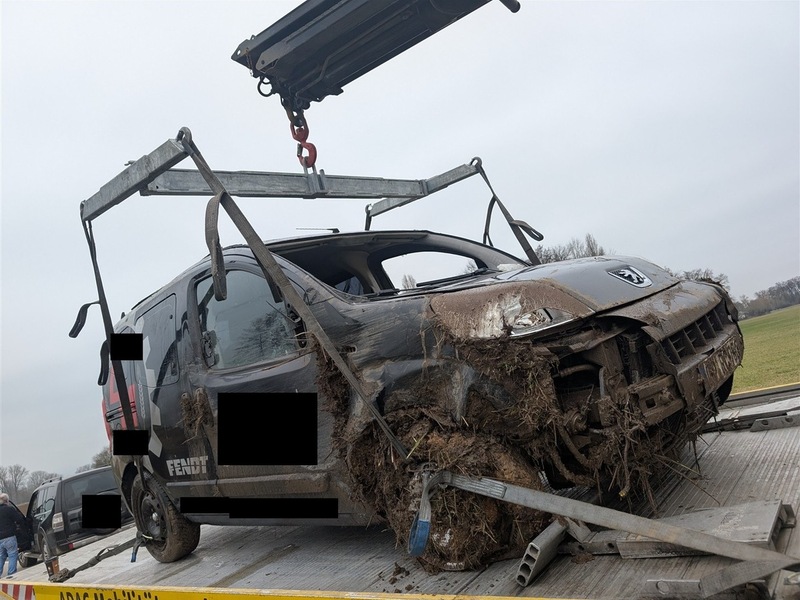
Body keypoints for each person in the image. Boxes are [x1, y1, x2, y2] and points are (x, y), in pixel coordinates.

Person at [0, 493, 24, 578]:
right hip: (9, 537)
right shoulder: (9, 509)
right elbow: (19, 519)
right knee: (12, 555)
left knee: (1, 557)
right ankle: (11, 575)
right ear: (7, 501)